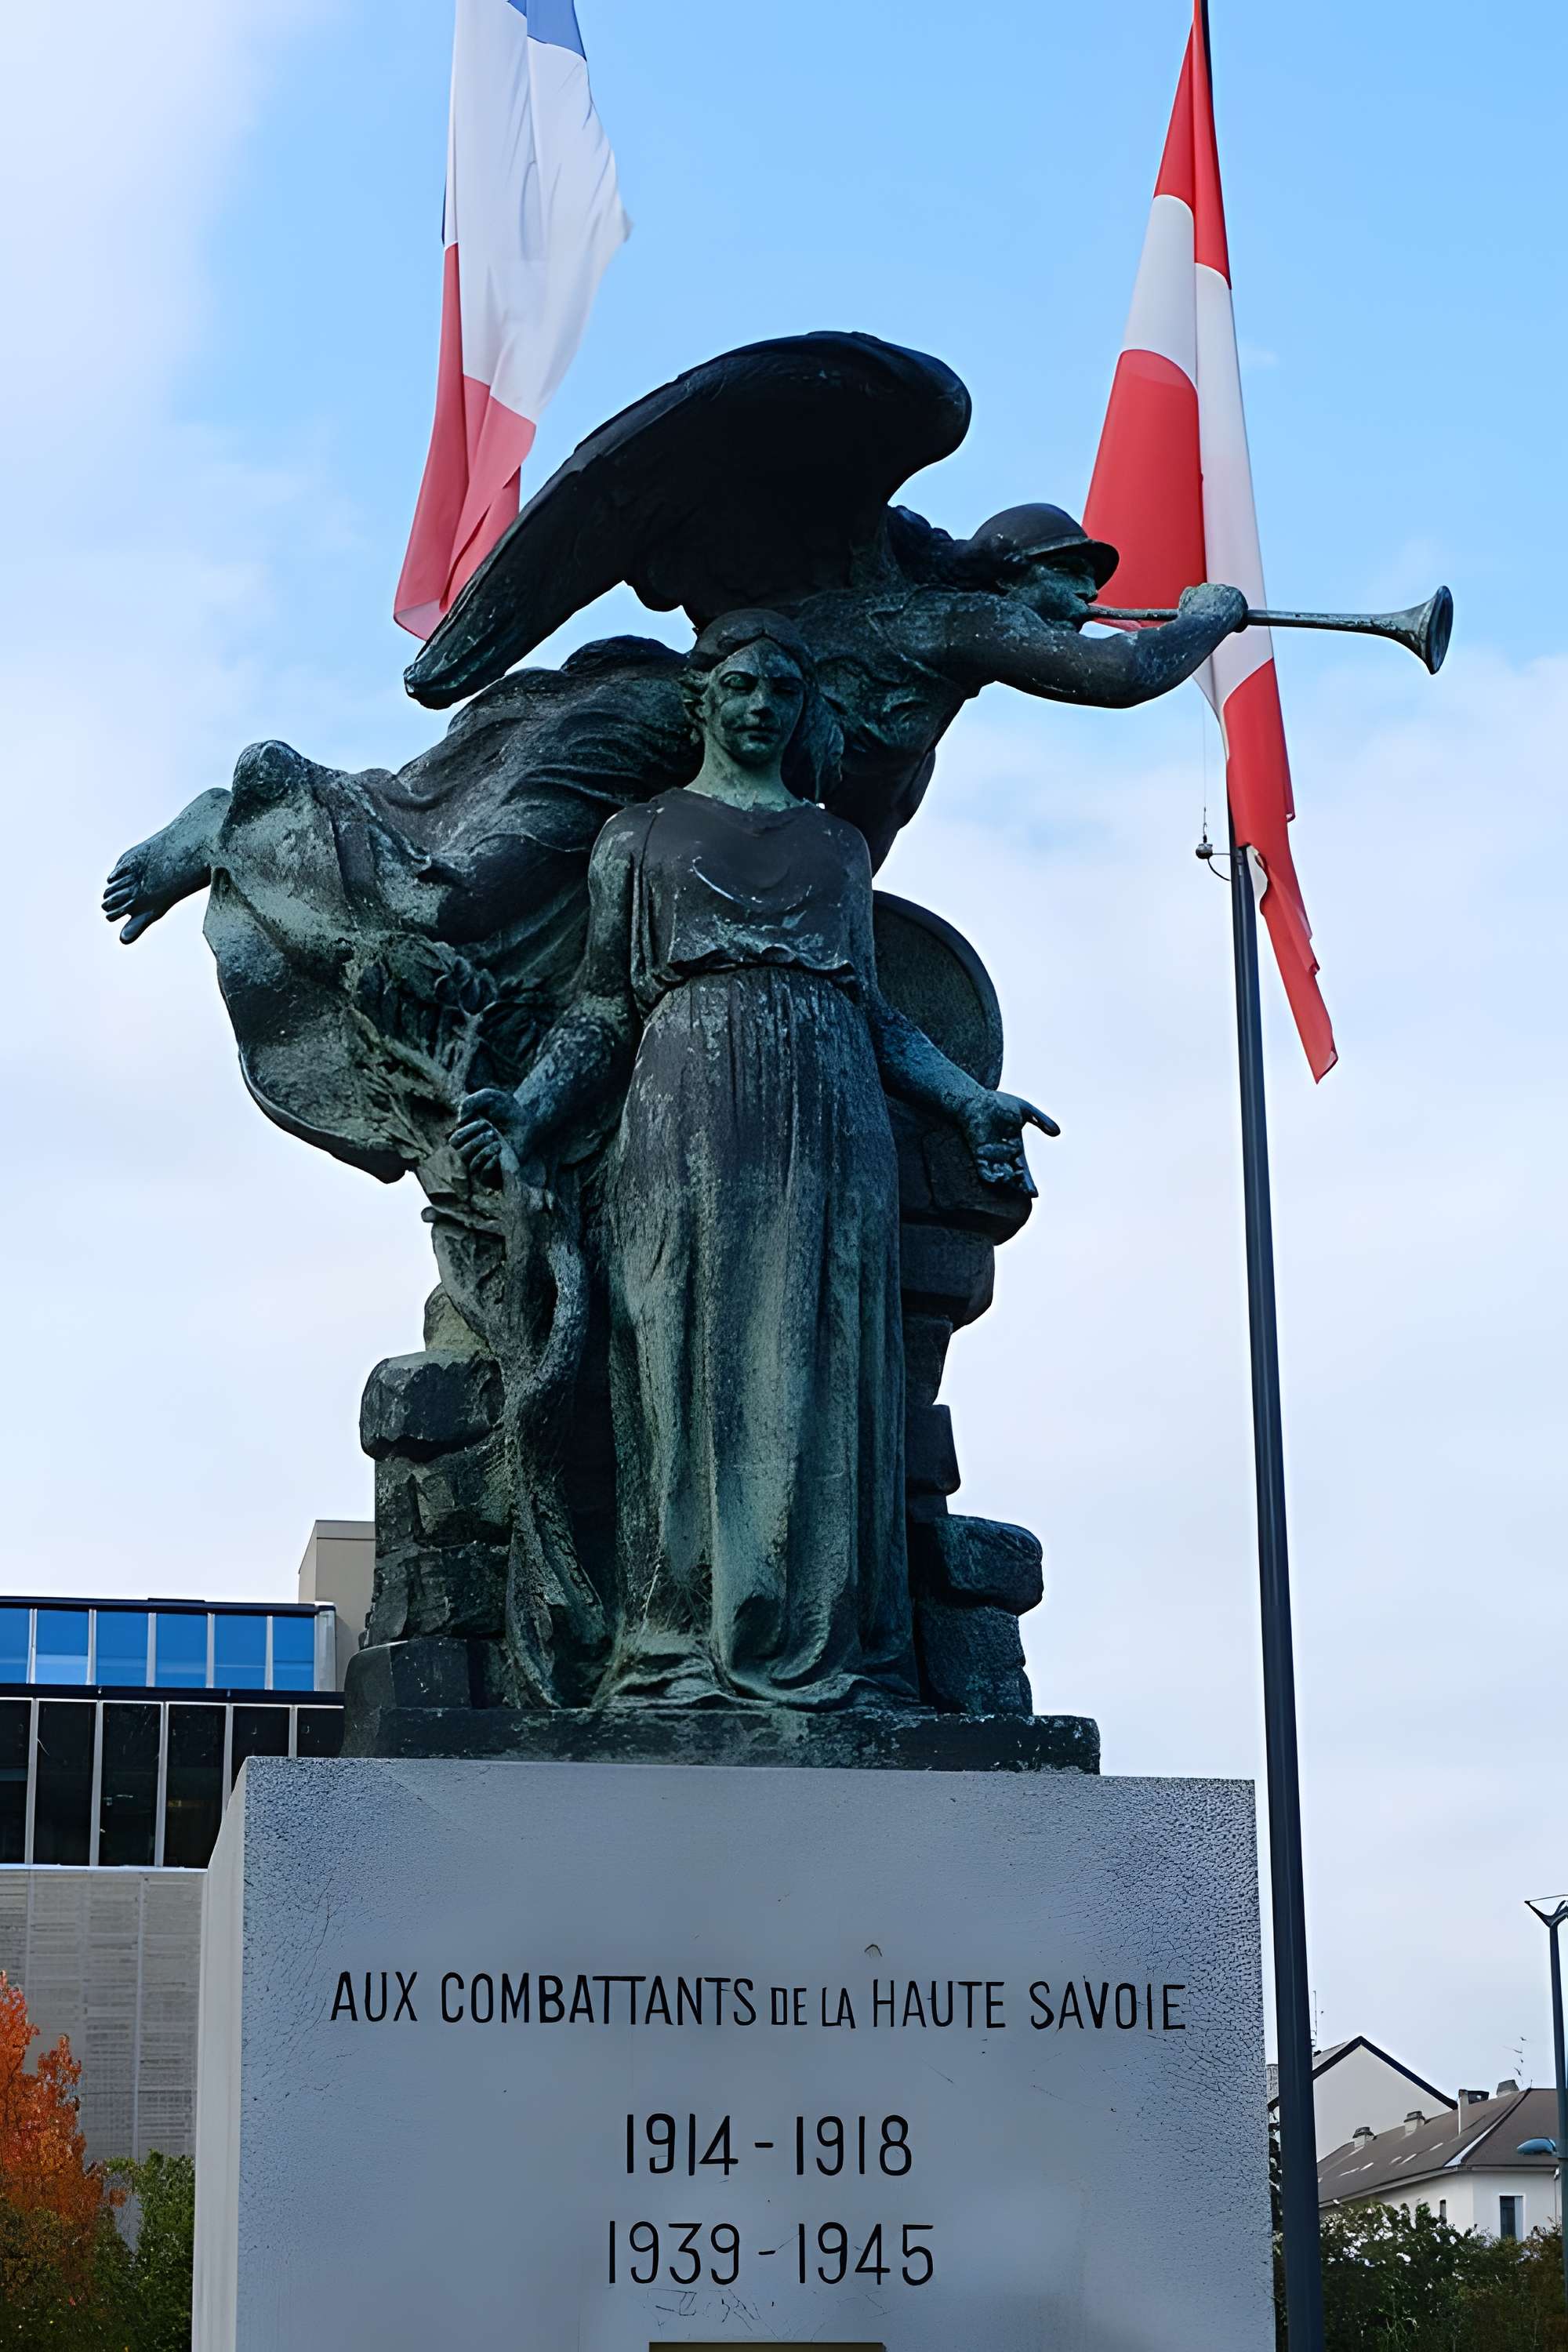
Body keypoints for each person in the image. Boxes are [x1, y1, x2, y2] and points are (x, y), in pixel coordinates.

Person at [452, 612, 1054, 1711]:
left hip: (831, 1114)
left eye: (783, 688)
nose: (762, 705)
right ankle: (678, 1639)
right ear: (704, 700)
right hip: (685, 1108)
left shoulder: (838, 846)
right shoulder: (637, 838)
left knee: (823, 1361)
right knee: (680, 1355)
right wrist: (531, 1110)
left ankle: (834, 1645)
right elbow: (603, 1009)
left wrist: (970, 1099)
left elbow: (876, 1014)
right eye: (741, 685)